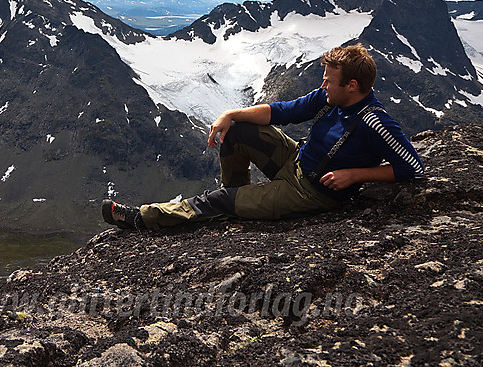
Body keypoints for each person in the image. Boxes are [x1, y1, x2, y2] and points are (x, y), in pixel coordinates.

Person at [102, 44, 425, 230]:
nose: (323, 86)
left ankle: (142, 218)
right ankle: (237, 197)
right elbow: (279, 112)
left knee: (217, 202)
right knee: (238, 131)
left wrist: (355, 174)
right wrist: (230, 116)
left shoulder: (375, 122)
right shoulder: (329, 98)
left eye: (329, 81)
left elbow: (413, 167)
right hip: (294, 161)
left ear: (352, 86)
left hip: (311, 192)